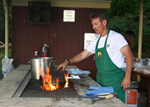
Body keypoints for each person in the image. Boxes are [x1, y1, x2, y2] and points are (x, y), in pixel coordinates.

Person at [57, 11, 133, 103]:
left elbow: (129, 56)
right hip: (100, 83)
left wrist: (127, 76)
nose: (93, 27)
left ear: (104, 22)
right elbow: (82, 55)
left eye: (96, 24)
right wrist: (67, 62)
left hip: (115, 83)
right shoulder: (96, 41)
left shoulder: (116, 37)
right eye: (92, 24)